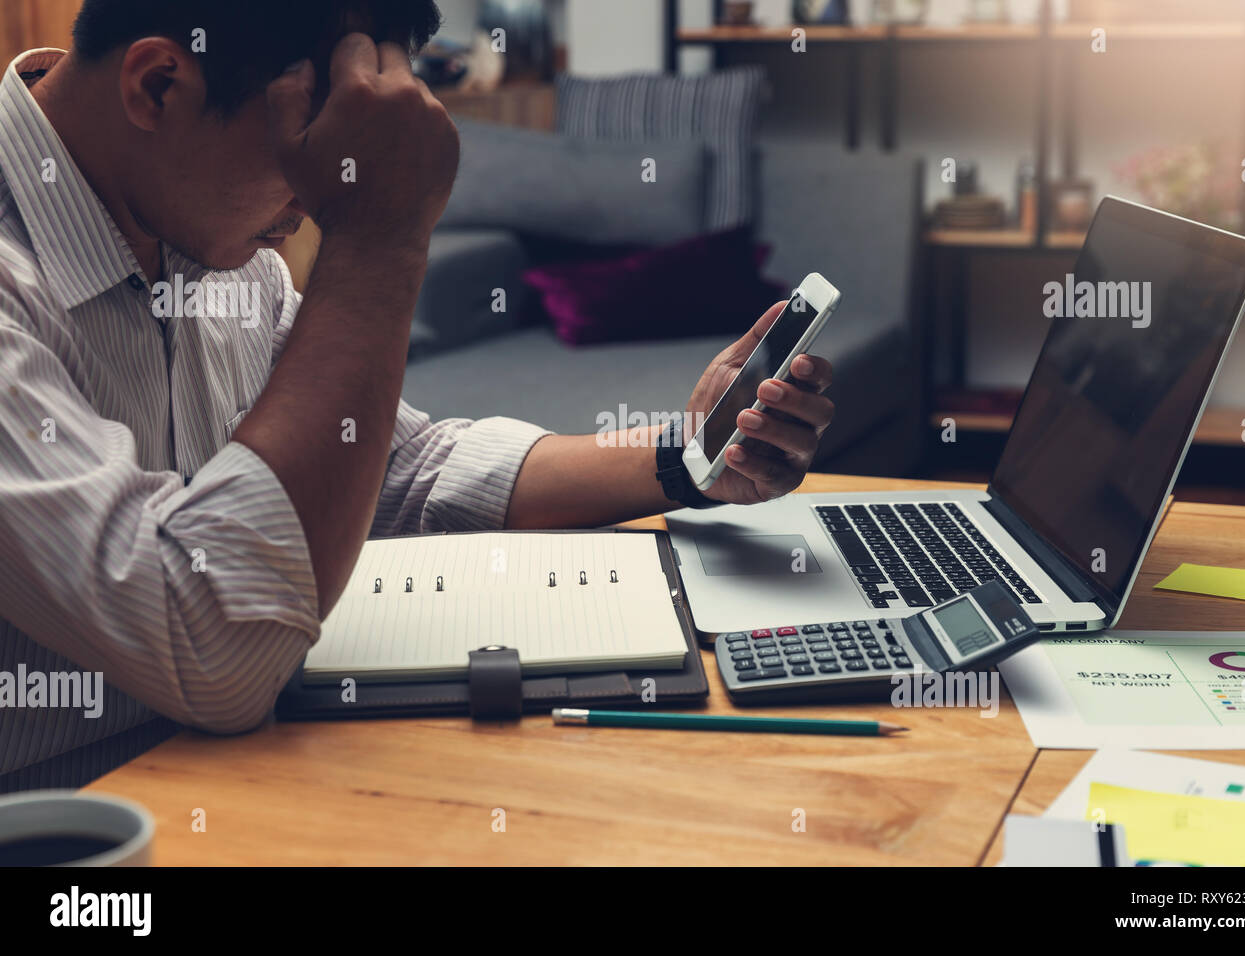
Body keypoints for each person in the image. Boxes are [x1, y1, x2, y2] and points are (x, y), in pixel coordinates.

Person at [0, 0, 834, 789]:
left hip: (248, 778)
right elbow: (210, 646)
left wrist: (683, 457)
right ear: (158, 85)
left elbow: (401, 470)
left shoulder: (211, 252)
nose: (315, 205)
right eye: (308, 153)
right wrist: (379, 232)